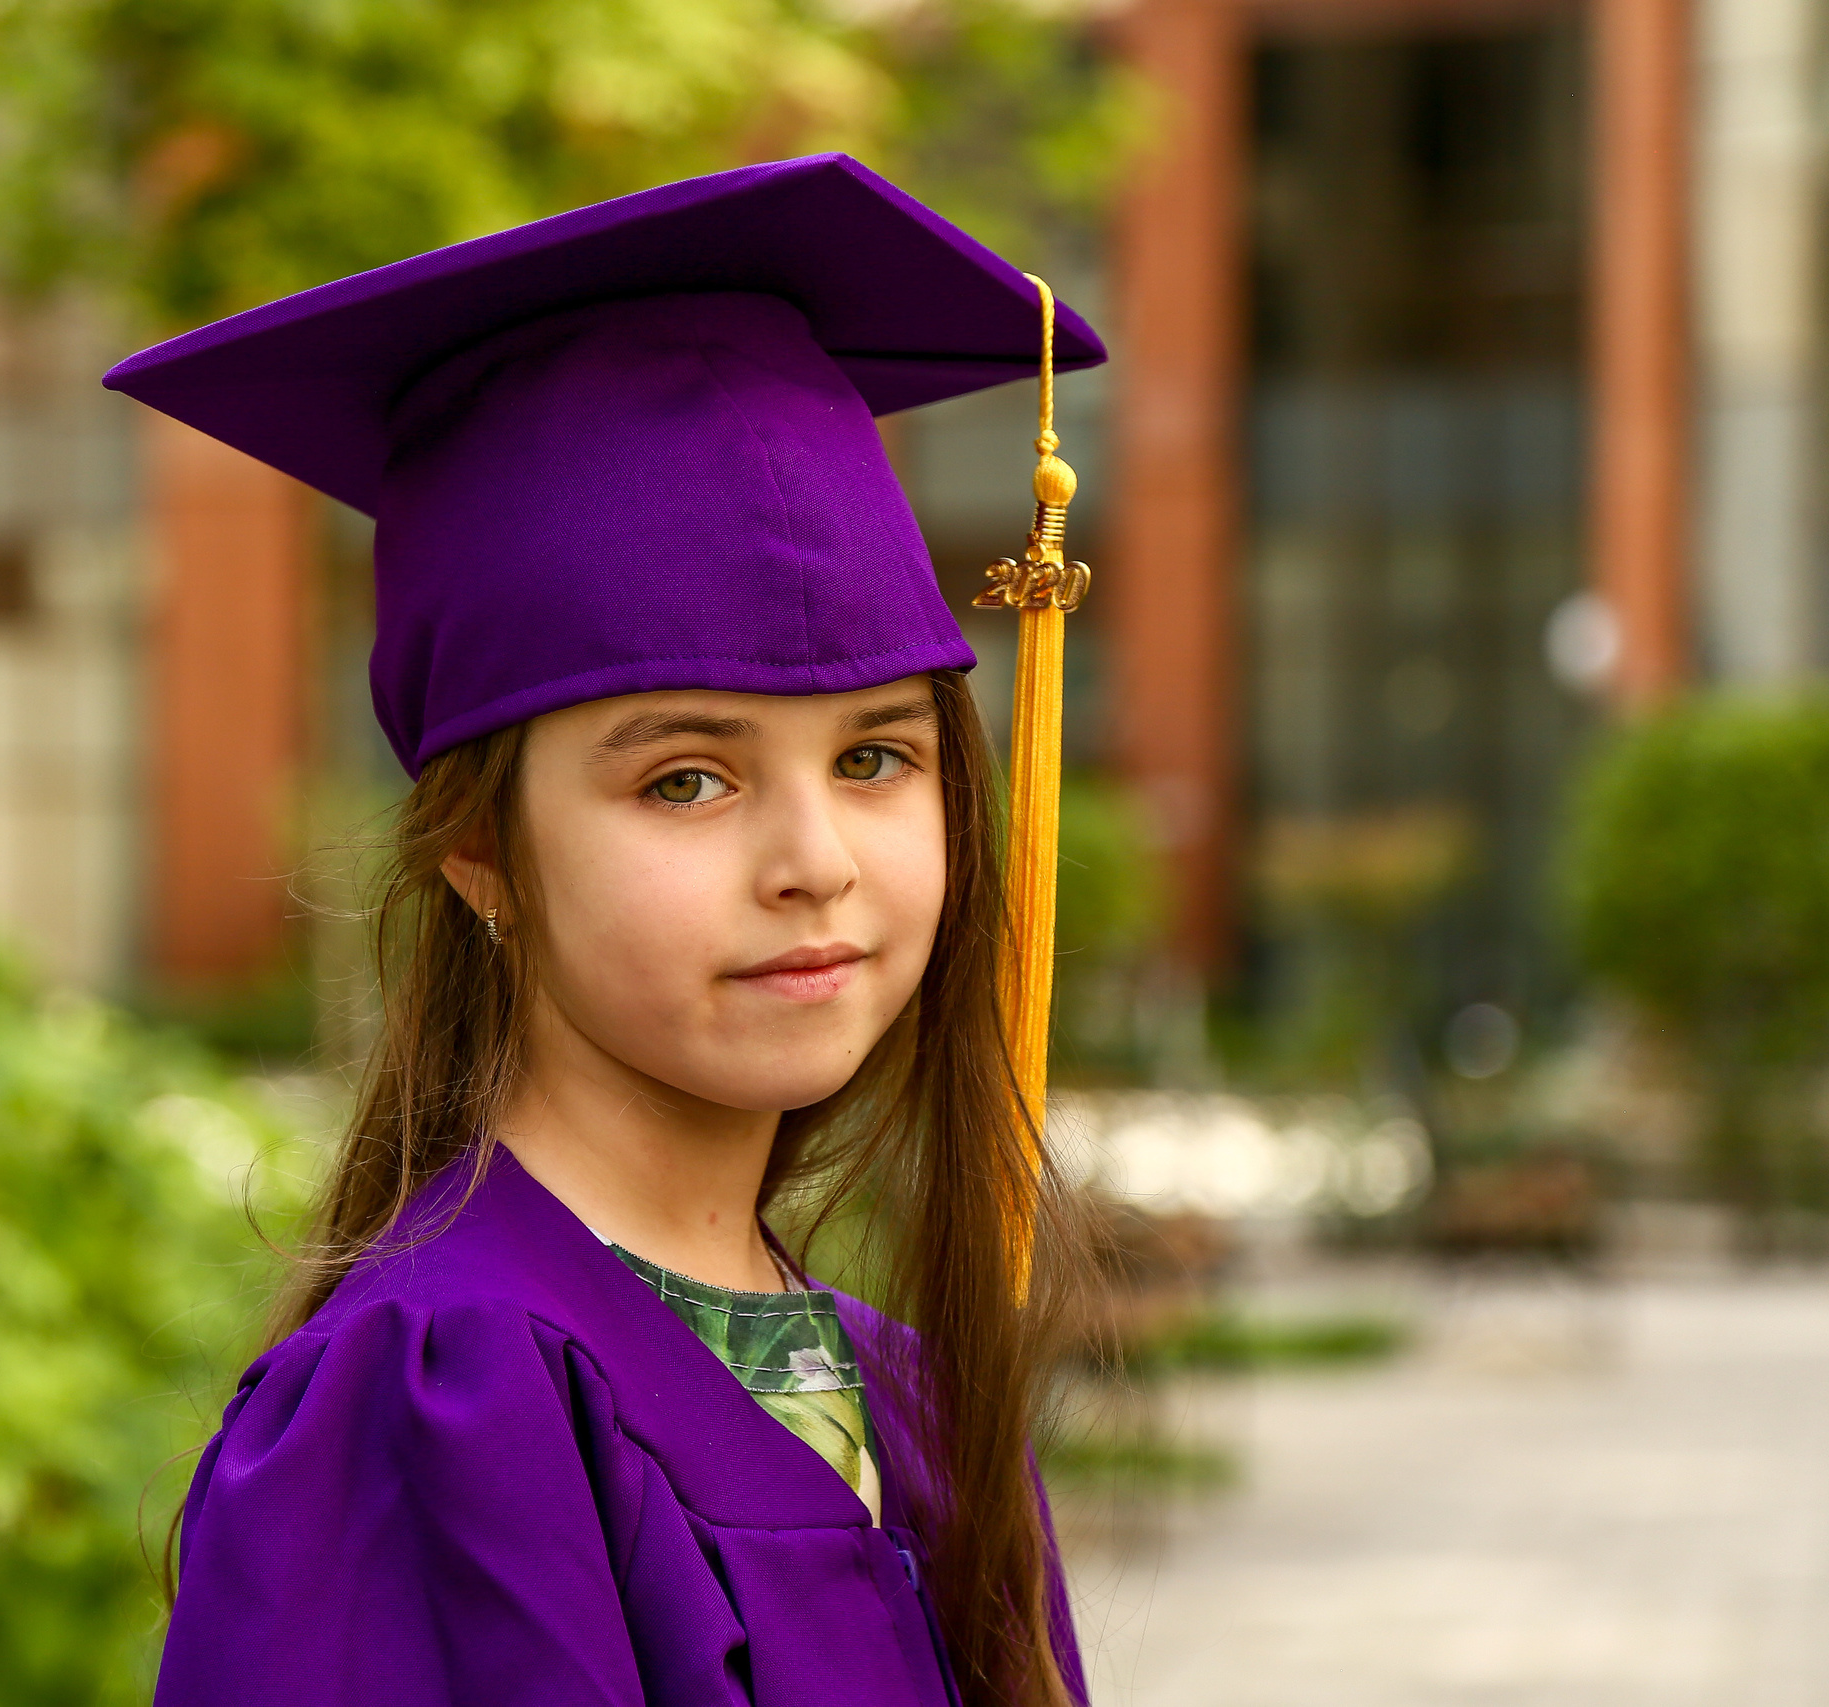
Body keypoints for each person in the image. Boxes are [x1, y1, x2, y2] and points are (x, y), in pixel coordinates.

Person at [105, 153, 1106, 1707]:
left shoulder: (909, 1394)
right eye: (687, 780)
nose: (815, 862)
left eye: (874, 756)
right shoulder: (439, 1396)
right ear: (483, 859)